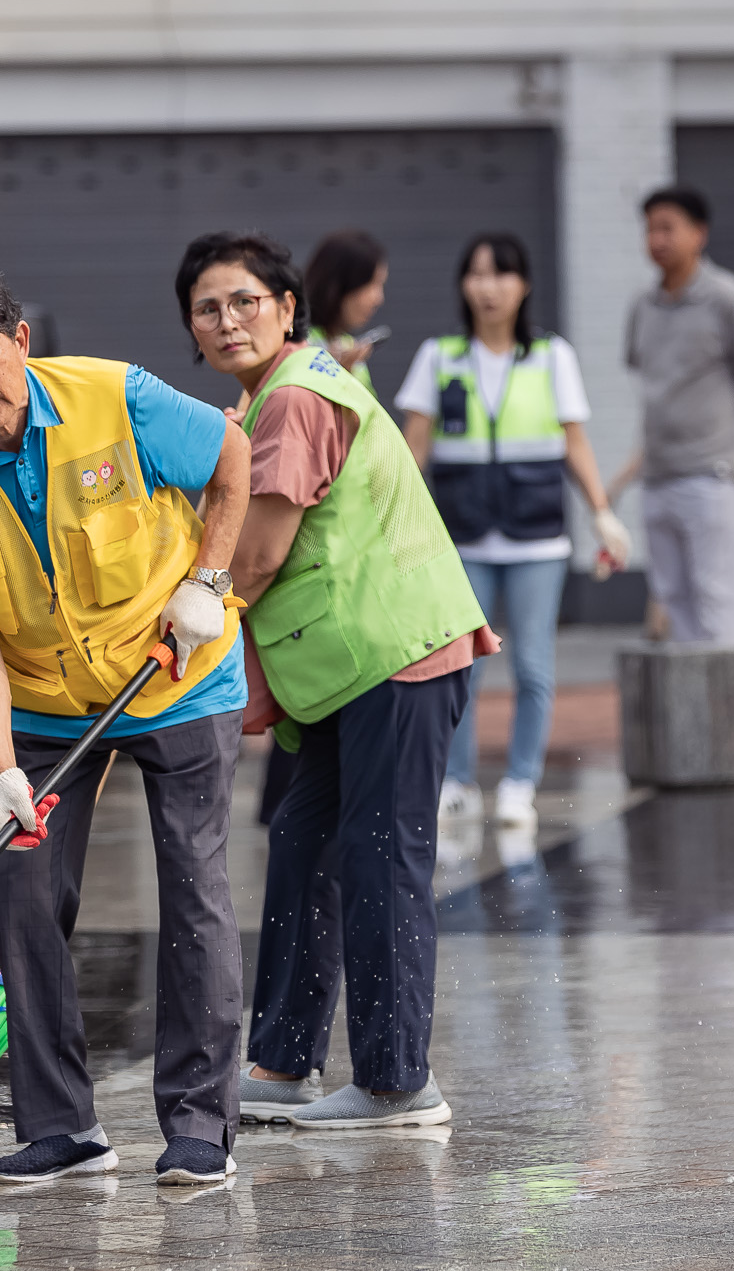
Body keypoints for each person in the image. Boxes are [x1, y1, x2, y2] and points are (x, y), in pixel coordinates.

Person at [0, 267, 254, 1189]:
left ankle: (201, 1124)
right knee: (25, 888)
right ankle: (63, 1127)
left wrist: (205, 584)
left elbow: (231, 459)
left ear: (18, 339)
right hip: (47, 704)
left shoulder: (115, 398)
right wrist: (3, 772)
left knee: (194, 885)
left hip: (178, 673)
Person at [180, 232, 487, 1130]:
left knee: (378, 856)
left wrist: (192, 617)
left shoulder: (298, 398)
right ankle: (280, 1062)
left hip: (395, 653)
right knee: (305, 843)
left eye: (244, 300)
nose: (227, 318)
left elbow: (261, 554)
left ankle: (397, 1082)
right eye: (207, 307)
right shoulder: (270, 398)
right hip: (345, 668)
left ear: (285, 306)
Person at [399, 232, 631, 830]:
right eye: (476, 274)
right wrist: (391, 517)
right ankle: (457, 780)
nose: (489, 286)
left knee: (533, 668)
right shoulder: (440, 355)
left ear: (523, 285)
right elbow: (413, 444)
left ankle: (520, 784)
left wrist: (602, 510)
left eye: (501, 274)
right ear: (462, 286)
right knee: (461, 669)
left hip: (537, 541)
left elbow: (574, 440)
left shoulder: (552, 356)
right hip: (464, 539)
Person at [258, 230, 389, 828]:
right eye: (372, 285)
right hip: (322, 568)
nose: (378, 298)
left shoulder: (327, 356)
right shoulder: (305, 368)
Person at [617, 184, 734, 647]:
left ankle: (727, 721)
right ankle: (690, 720)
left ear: (698, 234)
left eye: (668, 228)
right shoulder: (642, 307)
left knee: (717, 608)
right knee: (672, 601)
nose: (657, 239)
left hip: (712, 475)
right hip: (659, 478)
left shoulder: (726, 297)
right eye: (650, 230)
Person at [302, 229, 389, 392]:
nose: (378, 298)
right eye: (371, 284)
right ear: (340, 284)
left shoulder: (349, 347)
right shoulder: (295, 345)